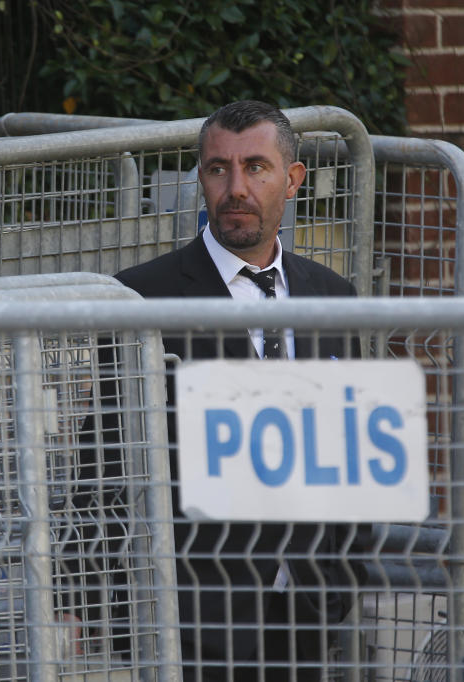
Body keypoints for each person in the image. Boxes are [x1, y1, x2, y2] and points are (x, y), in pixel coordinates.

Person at [81, 100, 359, 681]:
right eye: (217, 169)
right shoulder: (141, 300)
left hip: (306, 615)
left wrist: (340, 585)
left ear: (292, 180)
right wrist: (97, 607)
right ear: (201, 178)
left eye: (256, 167)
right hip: (190, 624)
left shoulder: (333, 296)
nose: (236, 187)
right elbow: (101, 467)